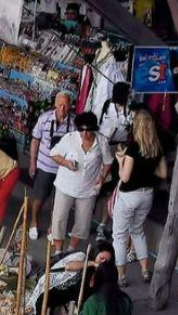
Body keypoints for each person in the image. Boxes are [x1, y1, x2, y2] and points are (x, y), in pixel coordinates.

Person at [111, 110, 167, 284]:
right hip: (147, 194)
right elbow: (163, 174)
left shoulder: (134, 147)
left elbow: (124, 177)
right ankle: (144, 271)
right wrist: (147, 170)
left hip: (129, 195)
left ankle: (121, 276)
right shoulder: (157, 147)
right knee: (137, 231)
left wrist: (120, 161)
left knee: (119, 235)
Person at [48, 111, 112, 250]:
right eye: (81, 130)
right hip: (65, 186)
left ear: (94, 129)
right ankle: (58, 251)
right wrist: (66, 163)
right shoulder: (70, 138)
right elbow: (53, 154)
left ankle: (71, 250)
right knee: (59, 219)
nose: (84, 133)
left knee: (83, 223)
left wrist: (102, 178)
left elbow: (108, 162)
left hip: (88, 189)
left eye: (88, 130)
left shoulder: (102, 141)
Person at [28, 91, 75, 241]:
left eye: (66, 105)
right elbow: (35, 140)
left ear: (70, 106)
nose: (63, 109)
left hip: (63, 170)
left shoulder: (73, 124)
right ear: (55, 104)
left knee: (58, 202)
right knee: (39, 197)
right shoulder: (45, 118)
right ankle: (33, 223)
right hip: (45, 166)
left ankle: (52, 227)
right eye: (60, 105)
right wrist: (32, 162)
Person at [94, 81, 132, 239]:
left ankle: (102, 226)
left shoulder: (130, 111)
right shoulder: (106, 106)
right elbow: (96, 125)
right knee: (96, 187)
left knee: (111, 191)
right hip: (102, 149)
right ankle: (85, 219)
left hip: (119, 151)